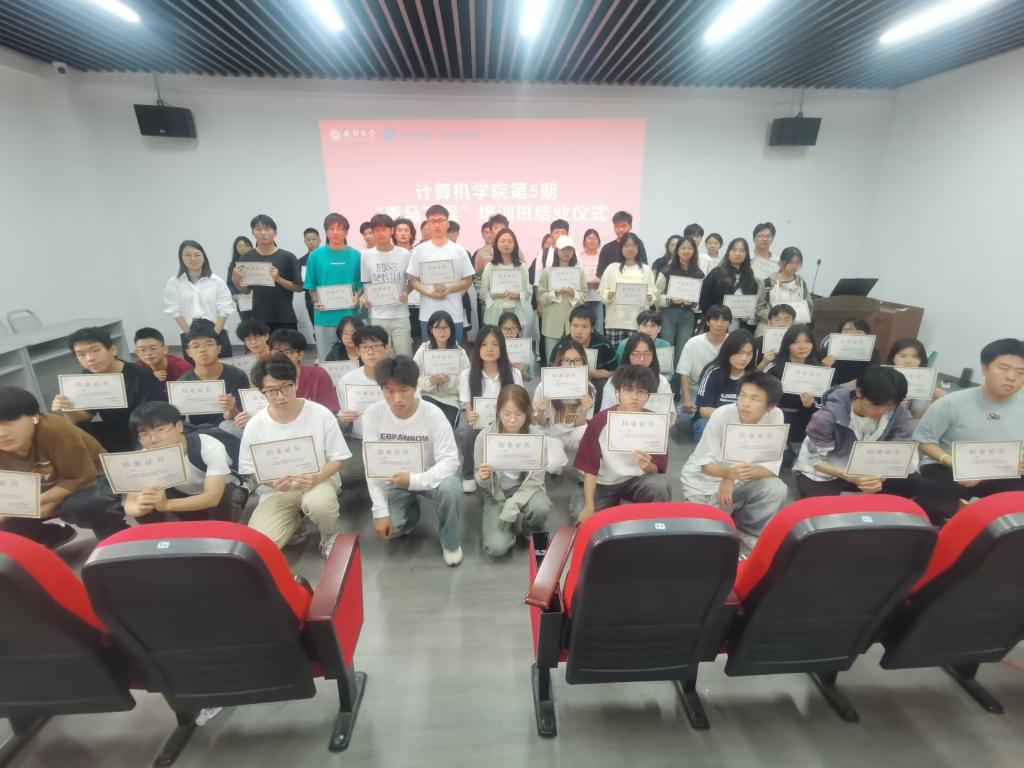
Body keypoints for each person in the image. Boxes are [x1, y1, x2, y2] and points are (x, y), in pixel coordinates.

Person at [238, 356, 350, 555]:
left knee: (319, 504)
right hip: (277, 491)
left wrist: (318, 477)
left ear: (296, 382)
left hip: (317, 482)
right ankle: (295, 523)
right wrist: (272, 483)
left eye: (285, 387)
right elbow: (249, 468)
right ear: (261, 391)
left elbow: (339, 457)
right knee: (259, 547)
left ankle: (329, 534)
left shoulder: (320, 414)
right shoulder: (255, 425)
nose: (280, 396)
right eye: (271, 391)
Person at [362, 355, 464, 566]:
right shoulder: (373, 414)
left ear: (415, 387)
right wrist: (380, 511)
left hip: (429, 476)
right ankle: (410, 508)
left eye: (404, 390)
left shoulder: (433, 414)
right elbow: (371, 466)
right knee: (393, 530)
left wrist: (415, 481)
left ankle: (451, 542)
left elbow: (450, 461)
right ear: (381, 389)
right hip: (395, 481)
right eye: (389, 391)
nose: (397, 398)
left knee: (451, 487)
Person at [913, 338, 1024, 524]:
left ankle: (1001, 533)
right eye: (1004, 368)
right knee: (937, 490)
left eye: (1021, 372)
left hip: (1002, 470)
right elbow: (923, 440)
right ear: (985, 368)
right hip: (948, 467)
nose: (1011, 377)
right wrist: (954, 463)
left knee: (1016, 501)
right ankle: (941, 529)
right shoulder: (951, 403)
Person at [0, 386, 125, 547]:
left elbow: (81, 478)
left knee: (86, 504)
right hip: (37, 496)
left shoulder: (55, 429)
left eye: (8, 422)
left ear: (34, 416)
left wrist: (37, 503)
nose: (2, 433)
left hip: (92, 480)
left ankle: (116, 536)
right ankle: (53, 535)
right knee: (8, 529)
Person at [680, 371, 789, 547]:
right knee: (706, 536)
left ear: (770, 405)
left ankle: (747, 529)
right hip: (704, 479)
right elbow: (705, 466)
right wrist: (728, 474)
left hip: (741, 477)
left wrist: (732, 476)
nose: (745, 403)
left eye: (755, 398)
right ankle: (720, 512)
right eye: (743, 395)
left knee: (776, 488)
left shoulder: (776, 415)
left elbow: (770, 469)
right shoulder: (722, 414)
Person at [794, 367, 917, 499]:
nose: (882, 411)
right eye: (876, 405)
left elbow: (902, 452)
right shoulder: (827, 416)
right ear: (859, 392)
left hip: (872, 468)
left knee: (913, 483)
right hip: (831, 468)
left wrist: (879, 478)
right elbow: (816, 459)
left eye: (889, 406)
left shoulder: (899, 413)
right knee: (817, 500)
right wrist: (848, 476)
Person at [475, 384, 567, 557]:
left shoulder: (537, 437)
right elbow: (480, 480)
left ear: (527, 413)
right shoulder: (484, 438)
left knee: (540, 507)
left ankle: (531, 530)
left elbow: (536, 479)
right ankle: (506, 527)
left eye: (518, 414)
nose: (512, 420)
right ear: (498, 412)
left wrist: (512, 505)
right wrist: (482, 477)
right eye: (506, 414)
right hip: (497, 494)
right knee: (496, 548)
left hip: (528, 489)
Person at [574, 365, 672, 522]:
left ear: (648, 396)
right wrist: (589, 506)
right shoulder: (600, 421)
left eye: (641, 392)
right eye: (628, 390)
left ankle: (653, 526)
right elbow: (590, 468)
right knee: (579, 514)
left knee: (660, 486)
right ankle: (611, 505)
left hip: (636, 480)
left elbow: (656, 469)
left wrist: (646, 466)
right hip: (603, 482)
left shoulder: (655, 423)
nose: (635, 397)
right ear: (618, 393)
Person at [125, 402, 246, 523]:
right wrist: (140, 507)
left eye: (160, 430)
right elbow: (130, 503)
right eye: (144, 434)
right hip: (182, 495)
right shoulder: (143, 457)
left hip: (222, 493)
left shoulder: (208, 446)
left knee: (227, 496)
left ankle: (223, 531)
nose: (154, 439)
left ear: (179, 426)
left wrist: (167, 504)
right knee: (147, 501)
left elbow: (212, 497)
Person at [51, 326, 164, 453]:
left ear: (113, 350)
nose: (90, 358)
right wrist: (67, 410)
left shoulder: (141, 377)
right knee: (70, 433)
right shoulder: (88, 376)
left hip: (142, 429)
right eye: (81, 354)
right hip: (113, 429)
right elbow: (85, 417)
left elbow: (156, 418)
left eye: (95, 350)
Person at [458, 325, 523, 493]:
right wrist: (471, 415)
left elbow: (520, 402)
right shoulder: (467, 374)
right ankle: (468, 473)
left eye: (494, 344)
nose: (489, 349)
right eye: (484, 344)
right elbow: (467, 403)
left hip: (509, 422)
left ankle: (516, 473)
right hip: (481, 424)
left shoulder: (514, 374)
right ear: (477, 347)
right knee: (469, 433)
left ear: (502, 347)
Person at [407, 204, 475, 343]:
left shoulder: (459, 250)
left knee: (453, 352)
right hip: (428, 313)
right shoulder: (419, 250)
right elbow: (414, 281)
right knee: (430, 352)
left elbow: (468, 280)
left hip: (453, 313)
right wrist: (430, 293)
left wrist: (449, 289)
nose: (437, 224)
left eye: (441, 220)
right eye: (433, 221)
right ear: (427, 224)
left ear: (447, 223)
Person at [304, 212, 363, 361]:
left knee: (353, 358)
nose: (335, 232)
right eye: (331, 228)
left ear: (346, 232)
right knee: (326, 359)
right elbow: (311, 285)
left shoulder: (356, 255)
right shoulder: (315, 255)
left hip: (349, 317)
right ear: (326, 231)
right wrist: (316, 301)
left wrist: (357, 297)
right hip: (324, 317)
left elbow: (360, 284)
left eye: (340, 228)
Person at [336, 325, 389, 486]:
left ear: (386, 348)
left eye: (376, 346)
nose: (370, 352)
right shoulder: (347, 381)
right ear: (358, 351)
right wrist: (343, 420)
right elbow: (343, 420)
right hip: (361, 439)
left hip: (395, 437)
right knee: (345, 475)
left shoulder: (399, 375)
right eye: (365, 347)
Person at [164, 239, 236, 358]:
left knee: (223, 365)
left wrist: (214, 336)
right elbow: (174, 310)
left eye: (197, 255)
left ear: (204, 257)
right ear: (181, 258)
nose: (193, 259)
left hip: (215, 329)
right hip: (188, 330)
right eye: (187, 255)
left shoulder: (217, 281)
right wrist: (190, 335)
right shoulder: (174, 282)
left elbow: (224, 310)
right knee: (195, 367)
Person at [231, 214, 302, 332]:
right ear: (253, 232)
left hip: (284, 317)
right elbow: (246, 291)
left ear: (275, 232)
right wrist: (236, 281)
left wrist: (278, 279)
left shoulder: (288, 257)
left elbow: (298, 287)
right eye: (258, 229)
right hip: (259, 318)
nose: (263, 233)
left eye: (267, 229)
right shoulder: (246, 258)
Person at [533, 339, 596, 470]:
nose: (572, 365)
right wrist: (540, 410)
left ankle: (582, 464)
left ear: (583, 362)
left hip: (572, 432)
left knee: (587, 432)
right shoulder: (544, 386)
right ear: (559, 362)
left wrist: (584, 409)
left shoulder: (589, 388)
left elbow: (580, 424)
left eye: (577, 360)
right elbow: (540, 423)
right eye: (566, 360)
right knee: (553, 465)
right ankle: (556, 458)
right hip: (550, 434)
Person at [763, 324, 827, 446]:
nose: (802, 347)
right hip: (777, 422)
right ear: (787, 344)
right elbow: (763, 398)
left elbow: (822, 406)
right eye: (796, 342)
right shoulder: (774, 368)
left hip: (805, 425)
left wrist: (810, 404)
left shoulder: (819, 370)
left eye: (807, 342)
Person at [360, 212, 413, 357]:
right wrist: (366, 299)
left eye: (384, 229)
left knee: (404, 355)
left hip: (401, 314)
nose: (381, 233)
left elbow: (412, 281)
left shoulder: (404, 254)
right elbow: (367, 283)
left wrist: (406, 292)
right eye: (377, 230)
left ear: (392, 230)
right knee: (383, 357)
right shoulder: (366, 256)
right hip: (378, 315)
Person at [178, 321, 248, 427]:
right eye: (196, 346)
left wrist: (232, 409)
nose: (202, 350)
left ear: (219, 348)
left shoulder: (238, 376)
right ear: (189, 353)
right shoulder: (182, 383)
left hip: (229, 430)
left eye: (209, 344)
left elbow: (243, 419)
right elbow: (179, 423)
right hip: (197, 432)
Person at [693, 329, 757, 441]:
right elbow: (703, 411)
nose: (744, 358)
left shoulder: (754, 376)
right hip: (714, 420)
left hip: (743, 423)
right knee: (703, 425)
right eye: (739, 353)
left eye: (749, 354)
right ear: (728, 351)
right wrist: (733, 417)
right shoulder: (713, 372)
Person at [655, 235, 705, 379]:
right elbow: (656, 295)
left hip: (688, 316)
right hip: (669, 314)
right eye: (683, 248)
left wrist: (693, 303)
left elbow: (701, 299)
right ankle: (663, 382)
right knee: (666, 349)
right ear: (677, 250)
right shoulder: (666, 270)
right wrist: (670, 300)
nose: (686, 251)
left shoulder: (699, 274)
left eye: (690, 248)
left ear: (694, 251)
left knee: (682, 352)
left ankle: (677, 386)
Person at [598, 232, 659, 346]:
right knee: (616, 354)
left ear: (638, 248)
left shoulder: (646, 269)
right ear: (621, 248)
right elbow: (601, 292)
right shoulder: (612, 268)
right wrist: (608, 295)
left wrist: (650, 297)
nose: (630, 249)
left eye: (633, 246)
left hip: (639, 322)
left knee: (636, 353)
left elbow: (653, 292)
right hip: (615, 321)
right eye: (626, 246)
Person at [413, 310, 470, 428]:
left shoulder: (460, 353)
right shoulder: (422, 351)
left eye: (445, 328)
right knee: (424, 426)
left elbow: (467, 382)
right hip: (427, 397)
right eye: (438, 328)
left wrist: (449, 381)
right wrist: (430, 382)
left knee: (445, 427)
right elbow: (412, 379)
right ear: (431, 329)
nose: (442, 332)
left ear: (451, 329)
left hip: (450, 400)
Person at [676, 304, 732, 420]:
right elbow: (684, 373)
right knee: (683, 420)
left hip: (724, 390)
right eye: (715, 319)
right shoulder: (693, 343)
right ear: (707, 322)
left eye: (724, 320)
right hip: (695, 388)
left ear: (729, 323)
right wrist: (687, 399)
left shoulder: (733, 342)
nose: (719, 324)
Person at [266, 329, 340, 412]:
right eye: (276, 352)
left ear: (300, 355)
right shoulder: (265, 378)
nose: (281, 357)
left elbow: (330, 410)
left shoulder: (318, 375)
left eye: (287, 352)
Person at [538, 234, 587, 357]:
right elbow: (541, 297)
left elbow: (584, 296)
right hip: (552, 323)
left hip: (573, 323)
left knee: (573, 357)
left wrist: (573, 293)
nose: (567, 252)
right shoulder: (547, 272)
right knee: (552, 359)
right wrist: (555, 293)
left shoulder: (579, 272)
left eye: (570, 249)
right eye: (563, 249)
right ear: (556, 251)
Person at [559, 305, 616, 409]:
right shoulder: (562, 345)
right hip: (568, 381)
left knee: (602, 384)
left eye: (584, 327)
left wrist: (593, 374)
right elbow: (552, 372)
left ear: (592, 329)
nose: (578, 331)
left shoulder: (603, 343)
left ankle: (597, 415)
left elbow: (614, 370)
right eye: (575, 326)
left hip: (595, 381)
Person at [604, 332, 674, 410]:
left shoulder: (662, 382)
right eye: (636, 354)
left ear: (653, 357)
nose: (642, 359)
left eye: (647, 354)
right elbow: (606, 412)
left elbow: (671, 412)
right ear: (628, 356)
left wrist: (670, 415)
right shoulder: (614, 381)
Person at [699, 237, 758, 329]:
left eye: (742, 251)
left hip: (739, 327)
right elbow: (704, 298)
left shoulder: (749, 276)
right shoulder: (717, 273)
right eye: (734, 250)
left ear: (746, 254)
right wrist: (713, 318)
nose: (737, 254)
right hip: (717, 325)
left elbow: (751, 302)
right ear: (728, 252)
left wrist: (746, 315)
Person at [755, 246, 812, 335]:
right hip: (770, 330)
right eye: (791, 262)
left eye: (797, 262)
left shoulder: (801, 282)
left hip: (793, 330)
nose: (794, 266)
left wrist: (799, 318)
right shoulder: (768, 282)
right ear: (781, 262)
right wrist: (776, 318)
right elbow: (759, 308)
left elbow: (809, 305)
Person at [481, 227, 531, 327]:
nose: (506, 244)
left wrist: (518, 296)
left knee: (514, 336)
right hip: (494, 312)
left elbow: (527, 292)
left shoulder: (521, 267)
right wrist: (495, 295)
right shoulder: (490, 267)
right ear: (496, 244)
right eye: (503, 241)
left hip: (516, 312)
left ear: (515, 245)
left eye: (510, 241)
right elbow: (483, 293)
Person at [886, 338, 946, 419]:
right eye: (903, 356)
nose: (909, 361)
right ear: (893, 358)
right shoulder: (880, 376)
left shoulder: (924, 381)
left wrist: (932, 400)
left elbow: (916, 416)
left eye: (915, 357)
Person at [820, 317, 879, 387]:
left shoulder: (872, 352)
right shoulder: (827, 351)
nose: (852, 335)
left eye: (858, 332)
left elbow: (873, 375)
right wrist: (824, 367)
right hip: (830, 390)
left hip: (858, 390)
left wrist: (841, 387)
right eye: (847, 331)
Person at [394, 216, 422, 348]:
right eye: (399, 230)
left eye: (406, 230)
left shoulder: (418, 253)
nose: (403, 233)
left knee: (418, 342)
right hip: (397, 305)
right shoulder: (390, 255)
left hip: (418, 304)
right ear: (394, 233)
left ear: (411, 234)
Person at [755, 303, 797, 370]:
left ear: (793, 323)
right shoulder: (758, 343)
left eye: (786, 320)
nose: (782, 324)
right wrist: (763, 363)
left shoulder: (798, 343)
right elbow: (751, 373)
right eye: (777, 320)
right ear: (769, 322)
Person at [498, 311, 534, 384]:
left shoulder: (526, 350)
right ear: (499, 329)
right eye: (505, 328)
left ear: (518, 329)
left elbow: (529, 378)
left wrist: (522, 370)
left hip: (517, 388)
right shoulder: (495, 348)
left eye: (513, 328)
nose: (509, 332)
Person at [579, 228, 603, 332]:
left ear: (599, 241)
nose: (592, 241)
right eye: (589, 238)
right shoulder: (579, 257)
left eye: (595, 238)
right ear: (584, 241)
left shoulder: (602, 256)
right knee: (584, 323)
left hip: (599, 296)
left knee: (598, 325)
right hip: (583, 295)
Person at [596, 210, 633, 278]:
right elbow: (600, 273)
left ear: (630, 227)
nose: (621, 229)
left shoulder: (638, 245)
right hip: (611, 284)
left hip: (633, 283)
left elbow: (643, 268)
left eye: (624, 226)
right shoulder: (607, 248)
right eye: (617, 226)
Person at [297, 227, 321, 326]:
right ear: (305, 242)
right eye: (308, 240)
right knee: (316, 326)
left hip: (329, 295)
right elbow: (300, 285)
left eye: (314, 239)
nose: (311, 242)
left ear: (319, 240)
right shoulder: (301, 261)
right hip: (310, 299)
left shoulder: (327, 258)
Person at [227, 236, 255, 319]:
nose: (243, 248)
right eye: (239, 246)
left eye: (246, 245)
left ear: (251, 247)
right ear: (235, 248)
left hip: (259, 300)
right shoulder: (233, 265)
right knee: (246, 324)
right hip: (243, 300)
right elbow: (229, 283)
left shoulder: (258, 262)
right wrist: (234, 294)